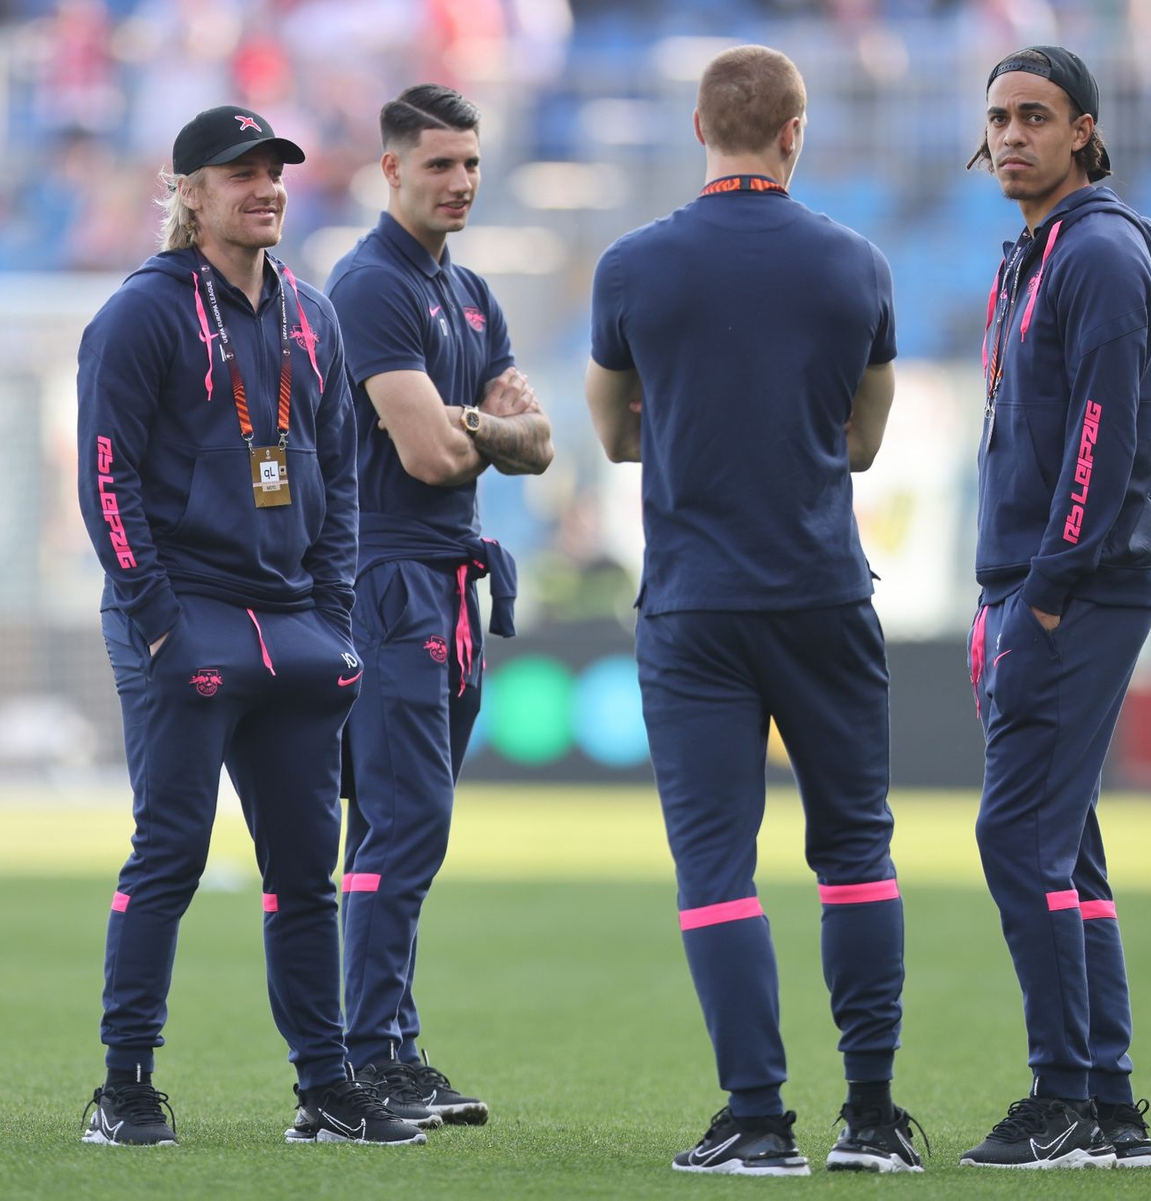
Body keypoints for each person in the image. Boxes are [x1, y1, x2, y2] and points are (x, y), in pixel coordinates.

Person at [586, 45, 922, 1176]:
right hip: (823, 587)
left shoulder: (632, 267)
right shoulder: (856, 265)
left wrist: (687, 420)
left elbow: (614, 432)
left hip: (694, 604)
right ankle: (871, 1116)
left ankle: (757, 1117)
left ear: (698, 130)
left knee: (718, 867)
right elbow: (866, 441)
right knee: (857, 850)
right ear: (795, 132)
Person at [77, 105, 422, 1147]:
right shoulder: (141, 314)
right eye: (239, 173)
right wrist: (157, 627)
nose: (264, 186)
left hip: (294, 628)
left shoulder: (315, 314)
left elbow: (343, 479)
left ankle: (325, 1088)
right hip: (185, 616)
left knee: (304, 875)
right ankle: (125, 1086)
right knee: (170, 855)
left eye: (273, 170)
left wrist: (331, 614)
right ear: (186, 192)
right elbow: (106, 480)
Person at [324, 84, 554, 1128]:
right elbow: (427, 454)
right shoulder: (370, 284)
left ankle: (390, 1047)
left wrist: (469, 422)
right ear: (392, 170)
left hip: (450, 580)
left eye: (469, 163)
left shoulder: (472, 295)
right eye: (439, 166)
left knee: (394, 821)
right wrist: (476, 425)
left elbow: (540, 443)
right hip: (389, 581)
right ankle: (366, 1056)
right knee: (403, 822)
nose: (460, 182)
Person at [961, 46, 1151, 1170]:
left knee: (1016, 833)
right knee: (1066, 847)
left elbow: (1103, 431)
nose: (1012, 136)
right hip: (1042, 583)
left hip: (1070, 587)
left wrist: (1047, 585)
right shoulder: (1037, 250)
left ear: (1083, 130)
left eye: (1035, 117)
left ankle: (1063, 1098)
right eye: (998, 118)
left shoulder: (1093, 252)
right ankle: (1113, 1104)